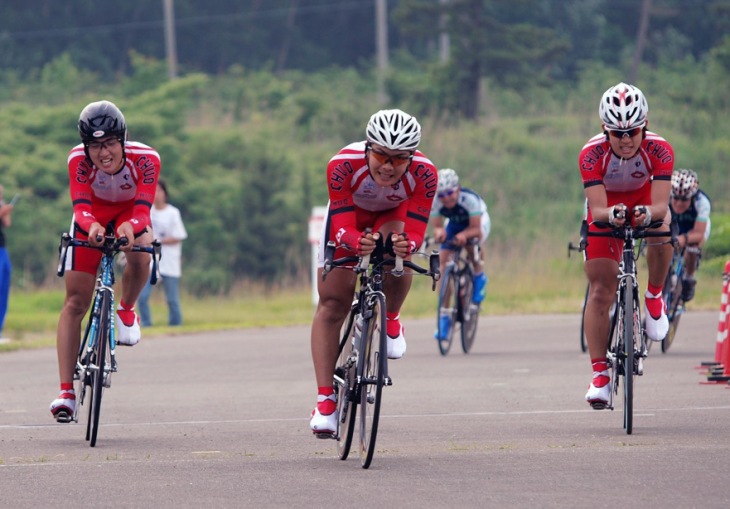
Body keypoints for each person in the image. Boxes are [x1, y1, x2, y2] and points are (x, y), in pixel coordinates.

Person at [309, 109, 438, 435]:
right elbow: (341, 228)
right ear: (368, 147)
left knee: (398, 249)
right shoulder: (342, 165)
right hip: (349, 214)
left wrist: (406, 245)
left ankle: (391, 318)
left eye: (398, 159)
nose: (388, 166)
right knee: (332, 304)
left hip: (393, 213)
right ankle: (325, 402)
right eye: (381, 155)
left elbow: (417, 232)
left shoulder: (425, 174)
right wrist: (354, 241)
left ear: (412, 157)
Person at [50, 100, 160, 422]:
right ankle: (66, 392)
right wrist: (93, 227)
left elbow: (142, 211)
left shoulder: (147, 158)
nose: (104, 153)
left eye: (110, 143)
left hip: (130, 213)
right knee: (74, 302)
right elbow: (80, 207)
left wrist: (132, 227)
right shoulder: (77, 160)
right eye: (95, 145)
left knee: (142, 249)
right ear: (86, 146)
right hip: (92, 216)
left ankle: (126, 310)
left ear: (122, 140)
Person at [579, 82, 674, 409]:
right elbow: (597, 209)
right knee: (601, 290)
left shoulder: (660, 149)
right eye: (616, 133)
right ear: (605, 130)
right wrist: (612, 214)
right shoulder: (591, 153)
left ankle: (654, 296)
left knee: (663, 230)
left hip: (647, 201)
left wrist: (647, 213)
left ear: (644, 125)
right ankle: (600, 374)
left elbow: (661, 206)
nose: (625, 139)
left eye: (632, 131)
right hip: (606, 205)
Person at [429, 168, 490, 341]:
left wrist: (464, 236)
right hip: (455, 224)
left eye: (450, 193)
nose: (446, 198)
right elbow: (438, 226)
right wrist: (439, 233)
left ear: (458, 189)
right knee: (443, 259)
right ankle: (444, 314)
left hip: (477, 224)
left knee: (471, 247)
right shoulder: (436, 201)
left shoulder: (469, 200)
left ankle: (479, 278)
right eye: (442, 195)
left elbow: (476, 229)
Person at [138, 180, 188, 326]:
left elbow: (178, 236)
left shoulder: (173, 213)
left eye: (159, 191)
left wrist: (158, 241)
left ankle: (176, 325)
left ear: (165, 194)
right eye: (154, 191)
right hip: (150, 260)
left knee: (172, 299)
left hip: (169, 261)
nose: (157, 195)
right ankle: (146, 324)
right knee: (142, 296)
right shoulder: (147, 211)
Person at [669, 168, 711, 302]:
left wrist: (684, 239)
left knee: (693, 246)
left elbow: (699, 234)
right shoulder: (664, 197)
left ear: (692, 196)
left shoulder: (702, 202)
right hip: (673, 227)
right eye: (676, 198)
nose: (679, 203)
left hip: (694, 229)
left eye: (684, 199)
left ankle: (689, 276)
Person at [0, 185, 15, 340]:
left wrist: (5, 210)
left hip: (2, 249)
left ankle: (0, 329)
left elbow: (7, 223)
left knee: (3, 289)